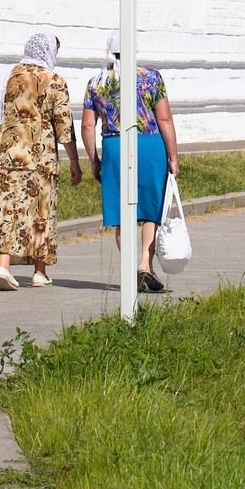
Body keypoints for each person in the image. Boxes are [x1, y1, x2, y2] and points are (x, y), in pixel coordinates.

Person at [0, 32, 83, 291]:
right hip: (39, 161)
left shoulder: (6, 77)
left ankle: (4, 266)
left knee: (5, 209)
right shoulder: (54, 80)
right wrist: (75, 161)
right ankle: (39, 272)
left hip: (4, 156)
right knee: (39, 213)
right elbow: (63, 126)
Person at [84, 32, 180, 295]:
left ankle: (130, 270)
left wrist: (94, 160)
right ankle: (144, 265)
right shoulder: (151, 77)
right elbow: (165, 120)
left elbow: (88, 125)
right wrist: (173, 156)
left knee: (120, 213)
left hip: (115, 146)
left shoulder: (96, 82)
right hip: (149, 145)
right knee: (151, 209)